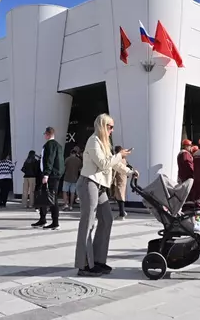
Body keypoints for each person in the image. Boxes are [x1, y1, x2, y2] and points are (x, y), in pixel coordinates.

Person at [74, 114, 133, 277]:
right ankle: (84, 265)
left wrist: (129, 171)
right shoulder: (93, 141)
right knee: (88, 223)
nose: (112, 130)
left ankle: (98, 260)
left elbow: (113, 164)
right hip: (89, 183)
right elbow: (104, 164)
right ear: (102, 125)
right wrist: (120, 155)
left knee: (107, 219)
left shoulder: (104, 143)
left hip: (100, 187)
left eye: (113, 127)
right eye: (110, 127)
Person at [32, 127, 64, 230]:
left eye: (45, 134)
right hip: (55, 174)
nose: (44, 136)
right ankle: (43, 219)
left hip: (50, 175)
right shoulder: (58, 145)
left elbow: (49, 159)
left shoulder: (49, 145)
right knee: (45, 196)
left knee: (51, 197)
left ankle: (55, 222)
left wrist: (46, 174)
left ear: (48, 134)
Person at [111, 145, 130, 220]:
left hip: (118, 179)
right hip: (123, 178)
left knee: (120, 196)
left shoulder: (118, 159)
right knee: (120, 195)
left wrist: (111, 180)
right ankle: (122, 212)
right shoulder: (124, 159)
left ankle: (122, 214)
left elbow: (114, 170)